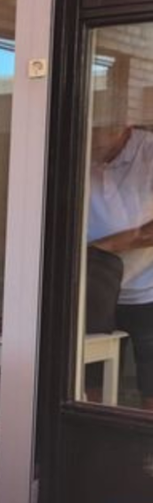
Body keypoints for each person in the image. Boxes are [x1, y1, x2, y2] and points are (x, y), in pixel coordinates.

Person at [87, 125, 153, 409]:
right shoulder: (81, 150)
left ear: (121, 129)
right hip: (94, 288)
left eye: (99, 143)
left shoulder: (148, 152)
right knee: (89, 382)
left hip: (147, 289)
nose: (92, 150)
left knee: (150, 384)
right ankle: (93, 448)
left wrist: (106, 247)